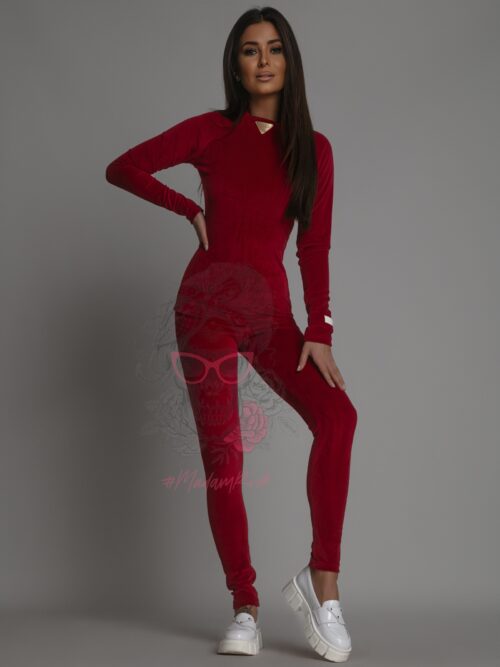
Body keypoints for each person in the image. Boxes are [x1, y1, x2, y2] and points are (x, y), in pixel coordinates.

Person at [105, 6, 358, 663]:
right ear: (236, 66)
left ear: (290, 61)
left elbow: (313, 247)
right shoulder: (212, 132)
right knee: (225, 458)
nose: (263, 60)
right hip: (206, 311)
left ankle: (323, 583)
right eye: (250, 50)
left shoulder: (314, 149)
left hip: (272, 319)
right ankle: (244, 606)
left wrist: (319, 327)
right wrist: (187, 208)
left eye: (274, 48)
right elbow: (123, 167)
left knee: (339, 416)